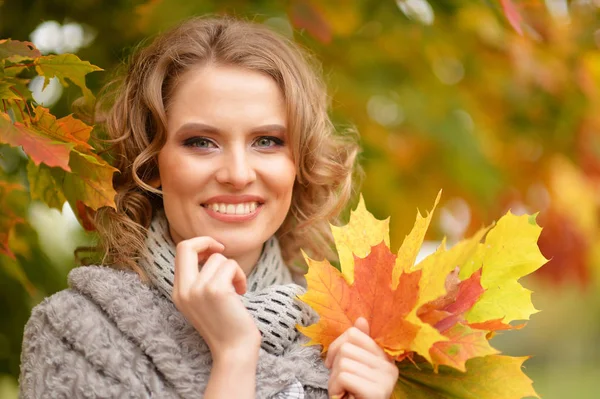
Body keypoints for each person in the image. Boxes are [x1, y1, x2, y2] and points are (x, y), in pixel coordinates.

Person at [19, 16, 399, 399]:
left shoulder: (350, 340)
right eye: (201, 142)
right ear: (150, 164)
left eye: (266, 141)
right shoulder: (77, 332)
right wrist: (234, 356)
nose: (237, 174)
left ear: (299, 163)